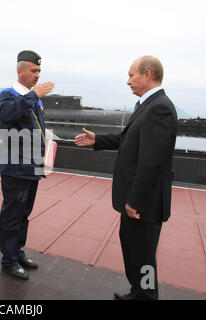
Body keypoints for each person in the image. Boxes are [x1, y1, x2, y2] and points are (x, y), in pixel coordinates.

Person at [75, 56, 177, 300]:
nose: (128, 81)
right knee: (133, 248)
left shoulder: (159, 108)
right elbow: (128, 140)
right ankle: (138, 292)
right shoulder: (146, 105)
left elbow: (151, 163)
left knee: (144, 255)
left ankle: (147, 295)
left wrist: (135, 201)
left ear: (148, 74)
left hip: (143, 203)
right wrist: (98, 140)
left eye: (132, 75)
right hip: (136, 200)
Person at [0, 50, 54, 280]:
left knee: (24, 214)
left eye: (39, 70)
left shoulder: (34, 98)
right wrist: (33, 96)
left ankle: (17, 252)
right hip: (16, 168)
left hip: (32, 168)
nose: (37, 75)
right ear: (20, 71)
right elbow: (6, 115)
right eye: (33, 70)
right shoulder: (8, 95)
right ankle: (8, 259)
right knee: (12, 214)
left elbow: (37, 131)